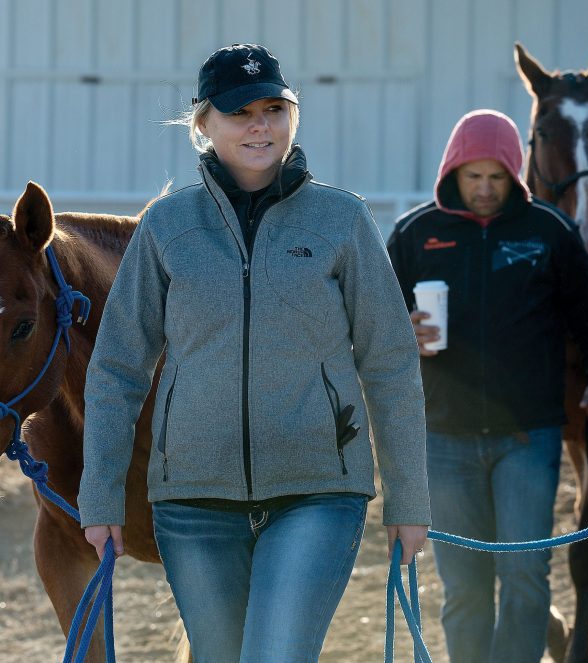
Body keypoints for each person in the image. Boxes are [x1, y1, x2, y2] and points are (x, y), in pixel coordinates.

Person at [77, 43, 430, 663]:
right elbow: (117, 369)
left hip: (317, 491)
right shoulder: (165, 228)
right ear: (203, 125)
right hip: (192, 501)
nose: (259, 124)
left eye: (273, 107)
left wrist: (409, 498)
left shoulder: (342, 221)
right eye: (239, 112)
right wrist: (101, 495)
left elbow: (391, 362)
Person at [387, 109, 588, 663]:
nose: (486, 190)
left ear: (515, 173)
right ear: (453, 172)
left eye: (497, 177)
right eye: (474, 177)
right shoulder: (416, 234)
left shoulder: (548, 231)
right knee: (464, 586)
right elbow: (368, 323)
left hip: (529, 438)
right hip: (443, 441)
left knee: (523, 576)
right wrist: (405, 334)